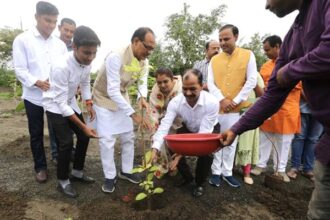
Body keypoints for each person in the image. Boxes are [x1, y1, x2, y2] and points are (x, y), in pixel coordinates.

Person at [221, 0, 330, 219]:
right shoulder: (295, 35)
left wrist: (291, 70)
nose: (266, 5)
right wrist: (237, 128)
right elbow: (272, 94)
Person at [92, 27, 155, 193]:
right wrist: (133, 114)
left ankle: (126, 171)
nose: (149, 52)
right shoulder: (116, 56)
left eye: (152, 49)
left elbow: (142, 82)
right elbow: (112, 90)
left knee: (128, 136)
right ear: (135, 41)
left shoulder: (144, 62)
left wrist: (142, 98)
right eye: (146, 47)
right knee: (107, 140)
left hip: (121, 96)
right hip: (104, 97)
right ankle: (109, 176)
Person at [12, 1, 67, 183]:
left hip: (54, 96)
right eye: (47, 20)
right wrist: (36, 82)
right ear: (36, 17)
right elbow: (20, 69)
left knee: (58, 131)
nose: (51, 26)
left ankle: (59, 159)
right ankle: (40, 167)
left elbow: (62, 68)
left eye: (54, 22)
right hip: (33, 96)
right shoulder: (22, 40)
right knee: (36, 133)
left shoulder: (59, 44)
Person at [43, 26, 100, 198]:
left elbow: (84, 83)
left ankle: (76, 172)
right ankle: (62, 180)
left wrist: (88, 102)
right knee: (66, 142)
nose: (90, 58)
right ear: (74, 47)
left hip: (69, 102)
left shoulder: (86, 64)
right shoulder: (61, 66)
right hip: (54, 105)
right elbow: (60, 103)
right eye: (86, 53)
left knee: (83, 137)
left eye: (93, 53)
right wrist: (83, 125)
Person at [151, 69, 219, 197]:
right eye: (185, 89)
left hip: (208, 130)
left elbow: (202, 136)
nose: (188, 93)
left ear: (201, 85)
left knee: (205, 155)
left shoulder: (211, 102)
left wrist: (181, 153)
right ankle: (187, 177)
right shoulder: (176, 102)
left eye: (193, 89)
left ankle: (200, 183)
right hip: (188, 127)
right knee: (172, 144)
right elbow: (164, 126)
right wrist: (155, 148)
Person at [207, 24, 258, 188]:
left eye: (226, 38)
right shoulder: (214, 60)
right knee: (216, 140)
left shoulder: (248, 55)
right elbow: (210, 83)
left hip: (235, 109)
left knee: (230, 140)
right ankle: (216, 172)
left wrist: (235, 101)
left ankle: (227, 172)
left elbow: (251, 80)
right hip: (216, 107)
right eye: (220, 39)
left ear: (236, 37)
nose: (222, 42)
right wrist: (222, 99)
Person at [250, 35, 302, 183]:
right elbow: (262, 85)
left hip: (287, 109)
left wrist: (274, 86)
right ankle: (261, 165)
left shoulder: (294, 63)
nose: (265, 53)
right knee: (265, 137)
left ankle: (280, 170)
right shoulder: (266, 66)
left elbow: (298, 85)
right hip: (269, 108)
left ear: (278, 46)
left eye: (267, 50)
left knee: (284, 141)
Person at [49, 17, 77, 165]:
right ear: (59, 28)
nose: (68, 33)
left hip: (70, 93)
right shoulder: (53, 46)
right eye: (66, 30)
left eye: (72, 31)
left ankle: (69, 150)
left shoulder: (74, 48)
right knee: (55, 124)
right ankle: (55, 153)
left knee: (70, 122)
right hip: (55, 90)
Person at [235, 73, 264, 185]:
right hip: (232, 108)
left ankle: (246, 172)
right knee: (231, 141)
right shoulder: (233, 69)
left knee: (247, 143)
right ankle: (228, 169)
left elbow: (261, 94)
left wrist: (251, 80)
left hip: (250, 109)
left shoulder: (255, 74)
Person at [287, 94, 323, 181]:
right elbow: (302, 86)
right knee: (299, 137)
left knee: (313, 139)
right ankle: (295, 167)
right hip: (303, 107)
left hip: (322, 110)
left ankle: (308, 169)